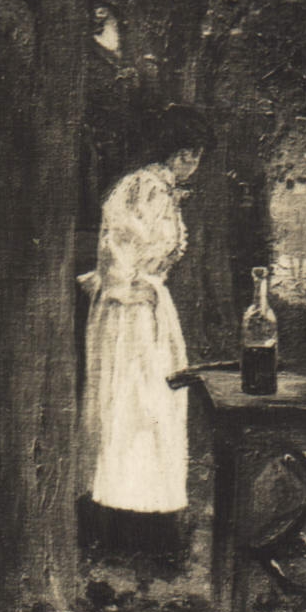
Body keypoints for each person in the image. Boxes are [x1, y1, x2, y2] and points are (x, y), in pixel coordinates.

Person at [78, 105, 215, 565]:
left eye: (195, 155)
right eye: (189, 154)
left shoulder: (164, 191)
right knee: (131, 408)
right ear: (176, 153)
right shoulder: (144, 187)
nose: (193, 163)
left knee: (156, 408)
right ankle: (123, 525)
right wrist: (129, 286)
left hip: (151, 310)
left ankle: (150, 523)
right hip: (128, 314)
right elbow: (115, 244)